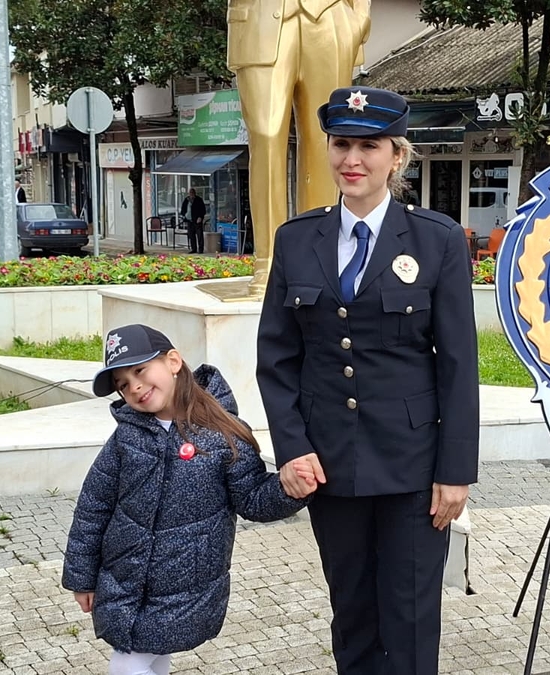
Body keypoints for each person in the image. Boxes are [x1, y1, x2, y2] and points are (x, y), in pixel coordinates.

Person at [256, 87, 480, 675]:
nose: (352, 159)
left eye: (369, 146)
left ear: (396, 156)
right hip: (329, 462)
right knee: (351, 612)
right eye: (341, 144)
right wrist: (293, 448)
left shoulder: (437, 240)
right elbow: (277, 357)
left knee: (407, 617)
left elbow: (458, 364)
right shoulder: (297, 239)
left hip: (413, 465)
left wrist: (456, 473)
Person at [62, 324, 313, 675]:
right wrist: (81, 576)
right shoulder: (126, 437)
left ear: (173, 361)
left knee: (126, 666)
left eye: (140, 371)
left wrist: (289, 490)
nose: (134, 386)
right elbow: (93, 506)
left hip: (186, 589)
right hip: (124, 584)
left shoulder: (222, 433)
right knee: (149, 658)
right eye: (122, 384)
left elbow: (253, 498)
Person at [226, 0, 372, 295]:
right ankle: (267, 262)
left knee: (326, 140)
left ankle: (319, 261)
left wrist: (359, 18)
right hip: (260, 18)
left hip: (330, 16)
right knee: (266, 136)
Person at [180, 188, 207, 254]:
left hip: (197, 220)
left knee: (199, 235)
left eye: (192, 193)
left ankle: (201, 249)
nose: (191, 194)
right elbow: (182, 209)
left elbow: (203, 210)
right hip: (189, 220)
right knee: (191, 235)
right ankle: (193, 249)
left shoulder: (199, 200)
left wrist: (200, 217)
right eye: (190, 193)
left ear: (194, 193)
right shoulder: (186, 200)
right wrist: (185, 215)